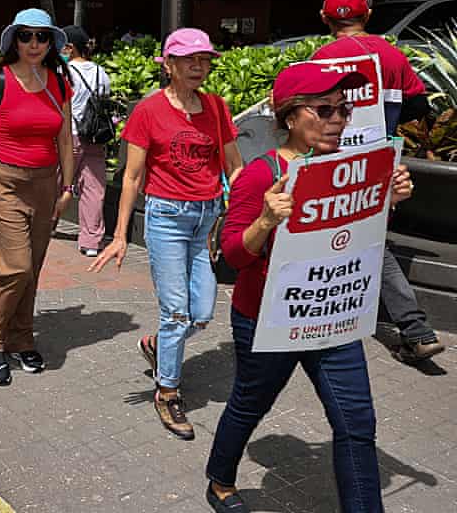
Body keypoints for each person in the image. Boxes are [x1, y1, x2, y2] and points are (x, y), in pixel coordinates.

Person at [204, 62, 411, 513]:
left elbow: (359, 239)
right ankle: (219, 479)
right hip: (267, 321)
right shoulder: (261, 174)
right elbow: (233, 256)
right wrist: (266, 219)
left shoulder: (353, 167)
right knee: (248, 404)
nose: (338, 119)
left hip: (334, 317)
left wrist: (386, 201)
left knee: (357, 424)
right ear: (290, 117)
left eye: (344, 109)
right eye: (324, 109)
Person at [90, 27, 244, 440]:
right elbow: (133, 176)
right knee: (177, 312)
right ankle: (168, 391)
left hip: (206, 219)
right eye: (190, 59)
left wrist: (257, 206)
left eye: (205, 59)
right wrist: (120, 234)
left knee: (204, 312)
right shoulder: (148, 111)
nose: (199, 66)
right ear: (170, 65)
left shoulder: (215, 108)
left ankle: (159, 345)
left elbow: (235, 167)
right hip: (167, 219)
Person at [310, 0, 444, 364]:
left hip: (331, 165)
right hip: (379, 164)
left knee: (362, 243)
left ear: (324, 17)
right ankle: (410, 330)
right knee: (364, 240)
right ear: (368, 14)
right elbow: (418, 107)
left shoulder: (322, 57)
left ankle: (416, 330)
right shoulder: (392, 56)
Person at [0, 9, 75, 386]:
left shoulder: (58, 82)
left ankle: (22, 337)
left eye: (42, 37)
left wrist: (67, 188)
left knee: (33, 268)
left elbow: (64, 141)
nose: (35, 44)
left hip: (45, 184)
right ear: (14, 41)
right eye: (26, 36)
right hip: (3, 181)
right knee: (15, 266)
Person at [61, 26, 112, 257]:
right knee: (93, 188)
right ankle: (91, 241)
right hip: (94, 135)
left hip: (68, 135)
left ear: (70, 48)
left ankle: (43, 226)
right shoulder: (102, 73)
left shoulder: (64, 72)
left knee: (54, 183)